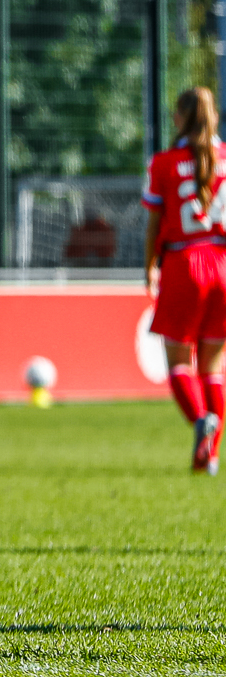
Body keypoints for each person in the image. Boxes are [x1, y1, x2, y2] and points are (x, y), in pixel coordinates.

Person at [143, 86, 226, 474]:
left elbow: (155, 221)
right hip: (223, 264)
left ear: (181, 116)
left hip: (184, 262)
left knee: (178, 360)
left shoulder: (163, 162)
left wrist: (149, 265)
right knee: (213, 366)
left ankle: (199, 420)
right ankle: (208, 455)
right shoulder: (224, 156)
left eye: (176, 113)